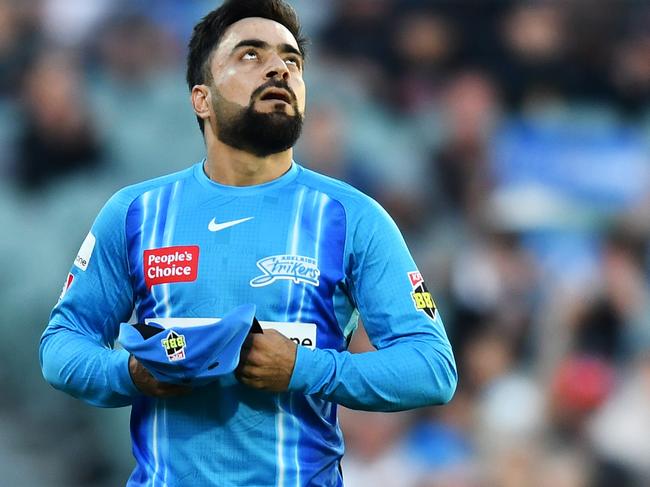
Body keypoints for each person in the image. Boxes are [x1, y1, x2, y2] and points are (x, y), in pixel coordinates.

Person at [39, 0, 457, 485]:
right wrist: (131, 374)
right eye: (250, 55)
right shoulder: (136, 213)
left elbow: (431, 368)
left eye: (291, 61)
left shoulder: (352, 217)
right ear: (201, 98)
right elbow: (61, 345)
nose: (279, 68)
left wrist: (307, 368)